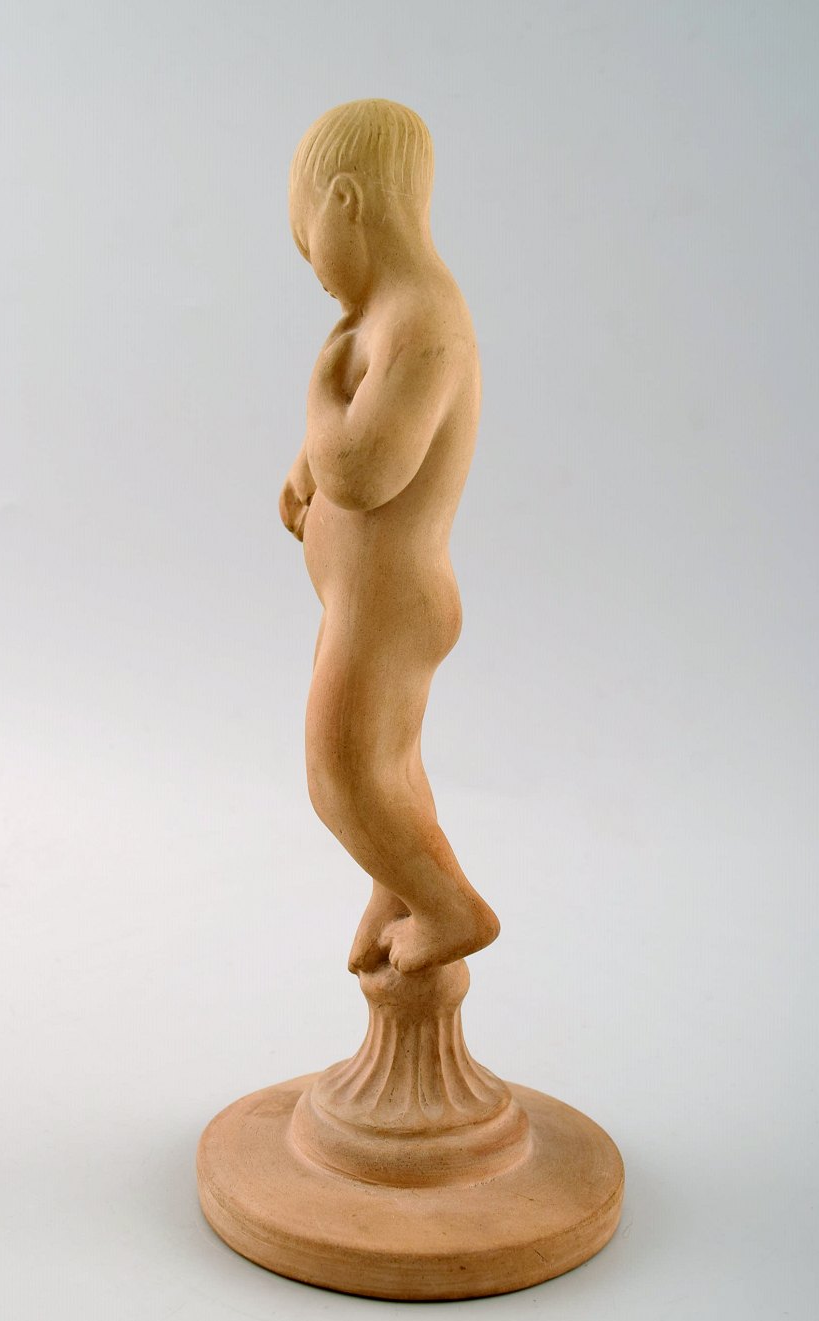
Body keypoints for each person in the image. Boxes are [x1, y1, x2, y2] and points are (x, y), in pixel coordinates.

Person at [279, 99, 499, 975]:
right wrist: (304, 467)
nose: (315, 272)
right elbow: (343, 445)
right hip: (366, 602)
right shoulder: (380, 319)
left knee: (340, 771)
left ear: (346, 201)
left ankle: (451, 910)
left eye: (309, 245)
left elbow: (365, 469)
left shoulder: (423, 320)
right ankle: (398, 884)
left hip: (390, 604)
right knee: (388, 766)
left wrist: (317, 399)